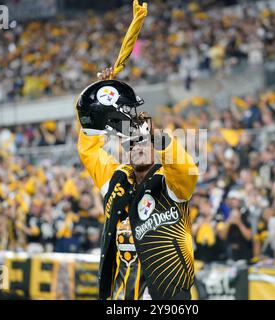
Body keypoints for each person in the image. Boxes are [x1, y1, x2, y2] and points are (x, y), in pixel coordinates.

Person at [76, 68, 198, 300]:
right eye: (131, 143)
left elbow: (186, 170)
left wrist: (157, 135)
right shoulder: (116, 179)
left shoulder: (170, 185)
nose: (136, 146)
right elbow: (88, 150)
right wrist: (101, 101)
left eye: (143, 140)